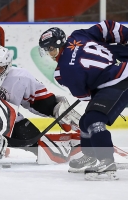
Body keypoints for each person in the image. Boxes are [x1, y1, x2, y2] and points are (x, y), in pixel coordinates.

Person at [38, 20, 128, 180]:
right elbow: (107, 26)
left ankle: (107, 162)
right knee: (85, 122)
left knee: (94, 120)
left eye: (50, 49)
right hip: (121, 67)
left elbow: (85, 96)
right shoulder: (78, 35)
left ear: (58, 45)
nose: (50, 54)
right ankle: (90, 155)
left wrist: (96, 87)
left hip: (120, 80)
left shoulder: (62, 72)